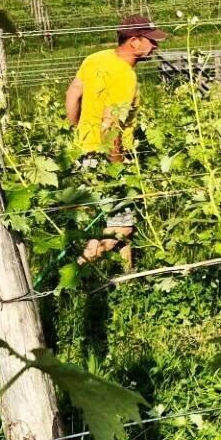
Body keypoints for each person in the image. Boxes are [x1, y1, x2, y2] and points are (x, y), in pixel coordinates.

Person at [66, 14, 168, 264]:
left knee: (104, 222)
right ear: (133, 41)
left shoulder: (95, 59)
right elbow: (110, 125)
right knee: (122, 228)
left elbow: (73, 94)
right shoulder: (125, 75)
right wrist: (116, 163)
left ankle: (126, 276)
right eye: (150, 41)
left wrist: (78, 129)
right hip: (108, 157)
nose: (155, 46)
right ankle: (77, 267)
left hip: (84, 152)